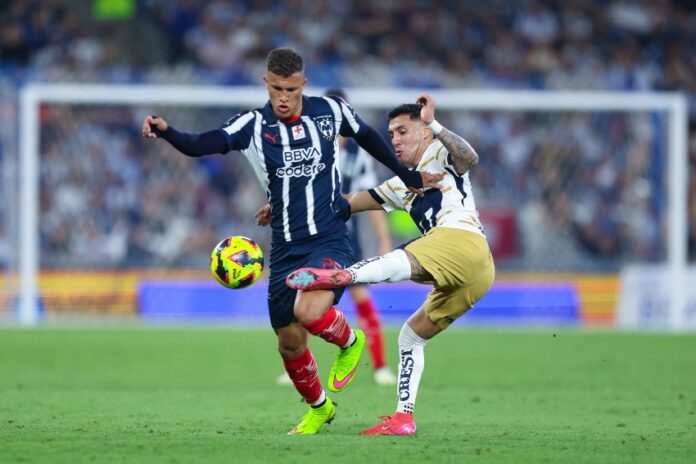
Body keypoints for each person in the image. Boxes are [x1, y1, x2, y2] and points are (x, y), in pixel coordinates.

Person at [141, 48, 442, 435]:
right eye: (276, 89)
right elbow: (201, 143)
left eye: (291, 89)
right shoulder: (252, 125)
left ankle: (351, 340)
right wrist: (167, 132)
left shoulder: (330, 111)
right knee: (289, 344)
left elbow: (367, 135)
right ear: (266, 84)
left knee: (310, 310)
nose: (283, 97)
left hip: (330, 237)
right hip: (284, 245)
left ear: (304, 84)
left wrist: (408, 174)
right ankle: (320, 409)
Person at [285, 94, 495, 436]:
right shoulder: (401, 184)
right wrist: (285, 206)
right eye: (391, 134)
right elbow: (347, 204)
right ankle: (404, 418)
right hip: (476, 274)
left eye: (402, 131)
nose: (394, 140)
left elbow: (470, 156)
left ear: (424, 131)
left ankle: (344, 276)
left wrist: (436, 124)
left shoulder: (440, 152)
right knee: (411, 337)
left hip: (462, 240)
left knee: (405, 254)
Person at [277, 90, 397, 387]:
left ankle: (380, 365)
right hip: (305, 236)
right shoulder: (303, 147)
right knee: (299, 297)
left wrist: (384, 241)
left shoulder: (358, 156)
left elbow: (373, 198)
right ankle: (298, 361)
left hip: (342, 239)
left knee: (359, 296)